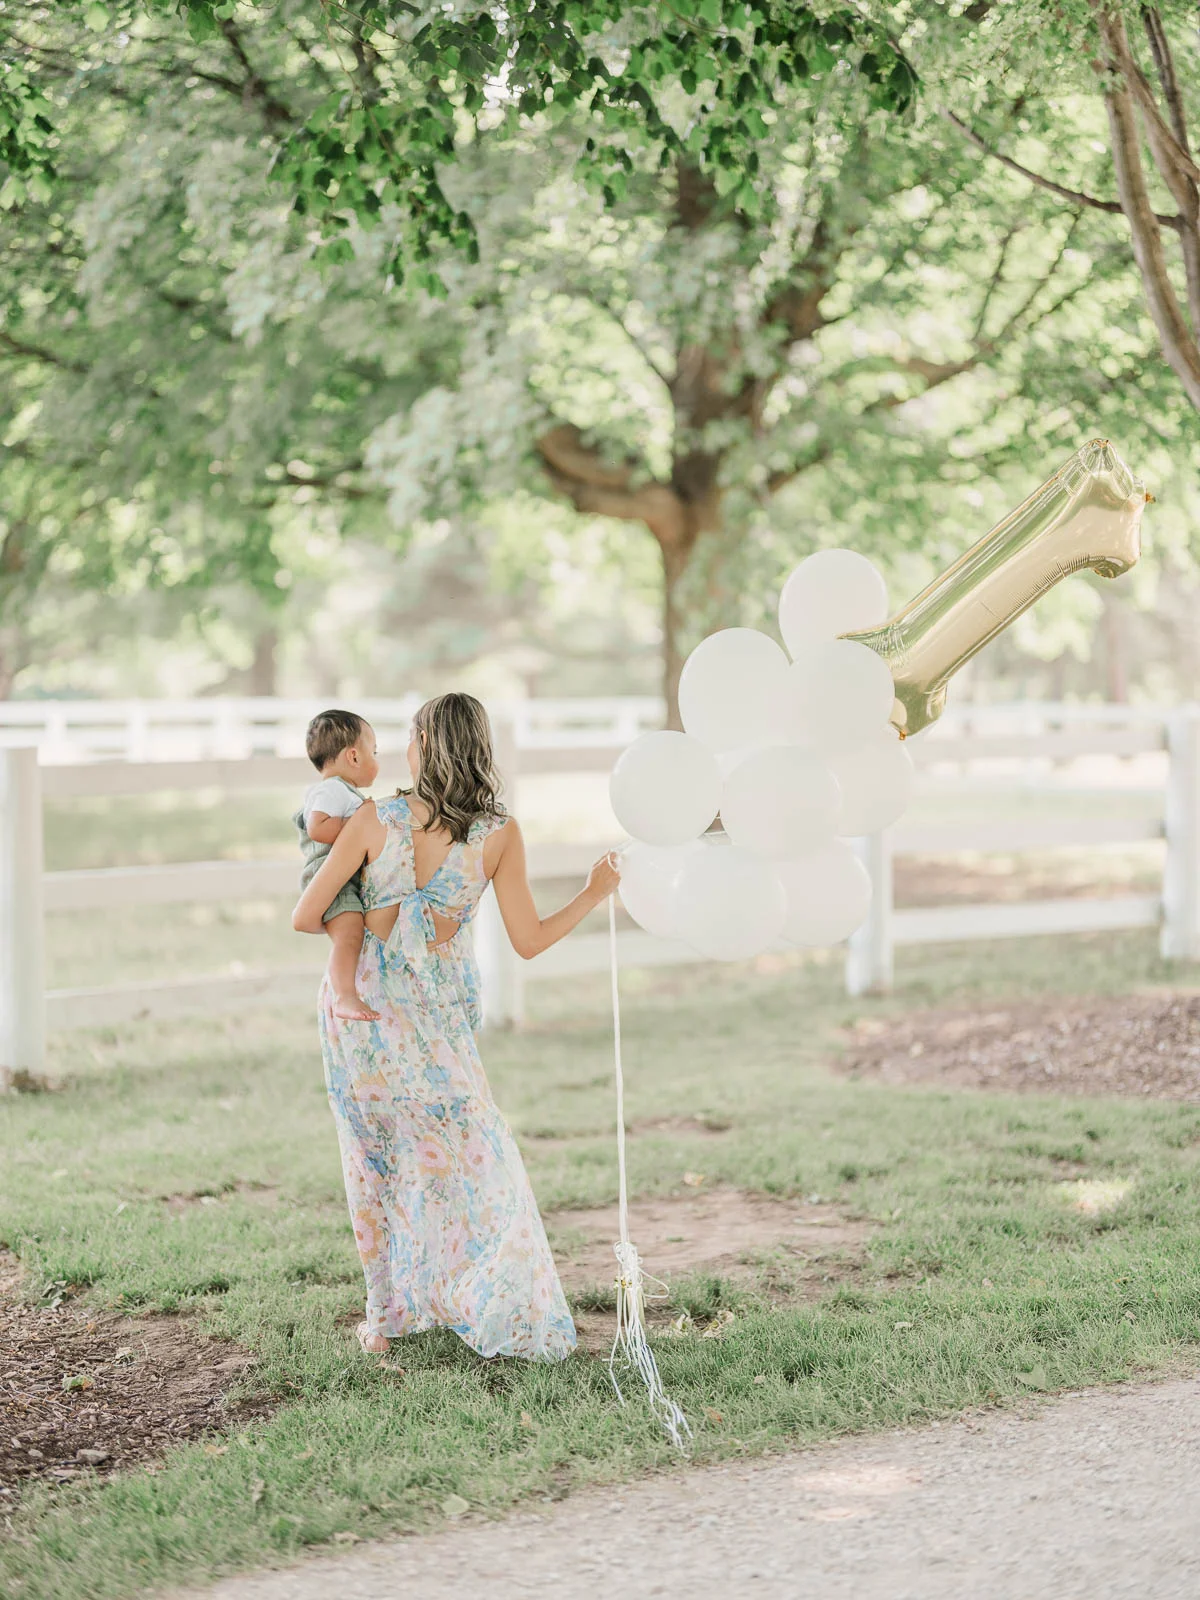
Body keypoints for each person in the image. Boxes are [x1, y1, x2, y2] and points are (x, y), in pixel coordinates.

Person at [292, 691, 620, 1360]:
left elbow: (307, 913)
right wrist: (592, 893)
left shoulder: (372, 819)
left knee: (376, 1160)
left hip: (363, 1014)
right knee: (474, 1156)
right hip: (434, 1020)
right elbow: (527, 941)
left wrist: (376, 917)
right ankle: (465, 1295)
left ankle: (388, 1320)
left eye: (410, 739)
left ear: (424, 747)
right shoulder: (499, 834)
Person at [293, 709, 380, 1022]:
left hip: (343, 874)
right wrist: (359, 824)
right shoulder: (331, 789)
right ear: (354, 756)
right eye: (374, 752)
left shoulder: (342, 791)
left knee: (353, 933)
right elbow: (318, 828)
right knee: (350, 934)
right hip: (331, 878)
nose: (377, 760)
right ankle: (344, 996)